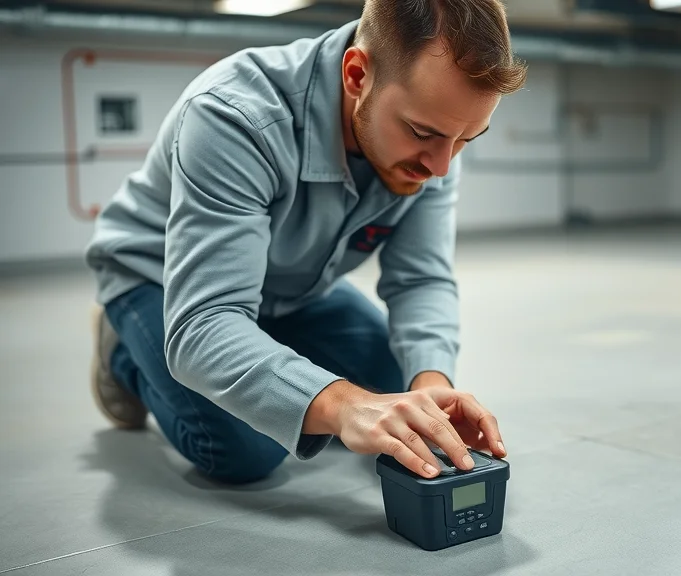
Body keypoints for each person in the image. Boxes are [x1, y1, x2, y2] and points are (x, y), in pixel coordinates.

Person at [84, 0, 527, 485]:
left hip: (293, 287)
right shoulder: (234, 115)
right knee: (245, 449)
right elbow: (205, 324)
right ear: (357, 74)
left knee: (396, 382)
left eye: (467, 138)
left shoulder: (438, 133)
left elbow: (422, 278)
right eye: (423, 133)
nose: (441, 166)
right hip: (165, 281)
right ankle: (122, 351)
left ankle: (268, 349)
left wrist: (433, 384)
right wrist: (341, 404)